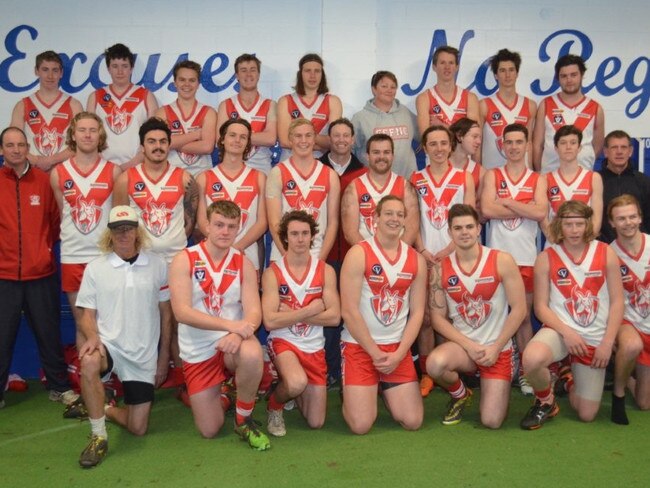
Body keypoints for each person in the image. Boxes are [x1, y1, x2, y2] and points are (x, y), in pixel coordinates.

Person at [169, 200, 270, 450]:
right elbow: (181, 312)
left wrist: (237, 334)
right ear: (207, 226)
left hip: (231, 343)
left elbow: (254, 311)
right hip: (198, 350)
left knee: (252, 352)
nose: (225, 232)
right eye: (219, 225)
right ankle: (224, 395)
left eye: (231, 226)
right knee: (209, 429)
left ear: (238, 229)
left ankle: (243, 419)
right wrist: (231, 325)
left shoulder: (243, 262)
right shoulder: (185, 259)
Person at [75, 205, 171, 468]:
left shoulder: (158, 265)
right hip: (110, 347)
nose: (123, 234)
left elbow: (166, 314)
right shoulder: (96, 267)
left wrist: (164, 358)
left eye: (128, 228)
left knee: (138, 428)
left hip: (143, 356)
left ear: (137, 231)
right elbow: (86, 313)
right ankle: (98, 436)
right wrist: (93, 337)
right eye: (117, 229)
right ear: (110, 233)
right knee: (89, 362)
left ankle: (102, 408)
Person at [520, 200, 624, 430]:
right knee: (532, 358)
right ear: (560, 226)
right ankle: (546, 400)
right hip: (560, 332)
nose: (574, 230)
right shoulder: (546, 257)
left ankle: (567, 381)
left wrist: (607, 343)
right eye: (569, 224)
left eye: (579, 224)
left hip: (595, 337)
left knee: (586, 414)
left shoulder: (605, 252)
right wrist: (567, 333)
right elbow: (541, 308)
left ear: (588, 224)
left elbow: (618, 302)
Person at [427, 204, 526, 427]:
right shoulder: (440, 269)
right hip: (465, 348)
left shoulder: (502, 260)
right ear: (449, 232)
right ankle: (460, 394)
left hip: (497, 349)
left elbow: (519, 309)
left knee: (491, 421)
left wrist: (497, 346)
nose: (464, 232)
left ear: (479, 228)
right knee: (435, 364)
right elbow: (437, 318)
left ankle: (496, 379)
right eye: (458, 228)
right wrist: (470, 346)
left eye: (469, 226)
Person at [0, 127, 77, 409]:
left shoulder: (44, 181)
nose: (16, 150)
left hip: (40, 274)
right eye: (10, 145)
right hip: (4, 275)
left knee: (49, 333)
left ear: (27, 147)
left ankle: (59, 387)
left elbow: (56, 222)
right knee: (1, 336)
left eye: (21, 144)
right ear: (2, 150)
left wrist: (41, 250)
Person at [340, 195, 426, 434]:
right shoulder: (359, 253)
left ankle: (384, 388)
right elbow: (348, 310)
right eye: (388, 213)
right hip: (360, 347)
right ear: (375, 218)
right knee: (361, 425)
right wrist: (374, 352)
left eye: (399, 214)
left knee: (413, 421)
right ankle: (350, 391)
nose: (394, 219)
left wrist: (399, 354)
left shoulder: (416, 259)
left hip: (396, 348)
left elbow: (418, 312)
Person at [481, 123, 548, 395]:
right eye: (509, 142)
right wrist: (524, 207)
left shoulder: (537, 179)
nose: (514, 147)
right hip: (498, 259)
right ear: (501, 145)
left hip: (527, 259)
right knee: (496, 315)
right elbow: (486, 208)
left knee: (521, 318)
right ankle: (498, 365)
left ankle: (525, 370)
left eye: (519, 142)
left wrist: (506, 202)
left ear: (527, 145)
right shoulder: (492, 175)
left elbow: (541, 212)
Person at [262, 210, 340, 436]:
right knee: (296, 382)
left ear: (312, 236)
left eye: (305, 233)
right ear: (285, 237)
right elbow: (269, 321)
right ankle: (274, 407)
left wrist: (291, 314)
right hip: (284, 342)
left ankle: (290, 393)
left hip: (314, 346)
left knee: (316, 422)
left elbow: (334, 317)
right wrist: (311, 309)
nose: (300, 239)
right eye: (294, 233)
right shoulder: (273, 272)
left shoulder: (324, 270)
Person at [410, 125, 475, 396]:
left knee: (450, 317)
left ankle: (450, 370)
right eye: (432, 144)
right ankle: (427, 372)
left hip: (455, 257)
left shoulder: (464, 178)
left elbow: (470, 218)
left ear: (451, 146)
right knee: (425, 318)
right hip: (424, 257)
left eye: (443, 143)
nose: (438, 149)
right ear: (424, 148)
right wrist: (423, 250)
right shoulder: (414, 179)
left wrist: (449, 250)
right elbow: (411, 220)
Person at [50, 112, 121, 337]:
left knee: (108, 320)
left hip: (104, 255)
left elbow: (118, 219)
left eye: (92, 130)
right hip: (73, 255)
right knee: (82, 321)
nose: (87, 135)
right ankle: (87, 373)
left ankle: (109, 370)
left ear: (100, 134)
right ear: (73, 134)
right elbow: (63, 215)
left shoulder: (114, 171)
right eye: (82, 130)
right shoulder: (58, 173)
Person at [113, 117, 198, 263]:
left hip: (176, 260)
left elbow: (190, 222)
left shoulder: (185, 179)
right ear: (142, 147)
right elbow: (120, 223)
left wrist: (170, 243)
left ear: (169, 145)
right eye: (151, 141)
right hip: (141, 260)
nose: (158, 146)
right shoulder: (125, 179)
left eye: (163, 141)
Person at [196, 118, 267, 273]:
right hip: (214, 256)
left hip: (248, 257)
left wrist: (236, 248)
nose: (237, 140)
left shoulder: (259, 177)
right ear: (222, 139)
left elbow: (262, 222)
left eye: (243, 137)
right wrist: (222, 247)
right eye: (232, 135)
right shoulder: (204, 178)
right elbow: (202, 221)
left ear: (248, 143)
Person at [266, 118, 340, 262]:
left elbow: (333, 223)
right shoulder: (277, 173)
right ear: (290, 140)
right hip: (282, 254)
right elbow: (274, 222)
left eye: (308, 135)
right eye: (298, 136)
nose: (303, 140)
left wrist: (321, 258)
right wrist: (287, 256)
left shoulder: (330, 174)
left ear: (314, 139)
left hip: (317, 254)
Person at [607, 195, 650, 425]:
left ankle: (624, 367)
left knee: (644, 403)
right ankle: (618, 394)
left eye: (632, 216)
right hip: (629, 324)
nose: (628, 222)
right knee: (632, 345)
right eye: (621, 218)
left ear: (640, 218)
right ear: (612, 223)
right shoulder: (607, 254)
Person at [87, 43, 158, 169]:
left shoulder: (146, 96)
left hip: (137, 166)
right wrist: (104, 164)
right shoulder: (95, 97)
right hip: (102, 166)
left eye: (124, 66)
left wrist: (133, 163)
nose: (120, 71)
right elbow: (89, 135)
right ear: (108, 69)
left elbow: (153, 136)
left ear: (131, 68)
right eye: (115, 66)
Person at [341, 134, 419, 247]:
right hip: (365, 258)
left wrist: (394, 254)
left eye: (386, 152)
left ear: (393, 156)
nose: (381, 157)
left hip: (398, 257)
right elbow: (350, 233)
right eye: (376, 152)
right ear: (367, 156)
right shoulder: (354, 187)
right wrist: (372, 255)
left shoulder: (405, 186)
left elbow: (411, 230)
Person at [10, 50, 83, 171]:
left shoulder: (74, 105)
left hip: (65, 173)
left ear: (61, 73)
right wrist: (35, 160)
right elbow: (13, 142)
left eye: (55, 70)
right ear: (36, 71)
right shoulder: (23, 105)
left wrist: (50, 160)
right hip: (31, 171)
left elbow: (80, 143)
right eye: (45, 70)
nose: (50, 76)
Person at [533, 54, 604, 173]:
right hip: (550, 176)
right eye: (564, 76)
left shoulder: (595, 108)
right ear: (558, 78)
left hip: (583, 178)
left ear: (582, 75)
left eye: (573, 75)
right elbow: (537, 145)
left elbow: (597, 146)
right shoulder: (546, 105)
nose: (569, 80)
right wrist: (541, 173)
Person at [542, 125, 603, 245]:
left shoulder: (593, 178)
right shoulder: (545, 179)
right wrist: (556, 240)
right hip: (555, 245)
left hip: (585, 244)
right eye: (563, 143)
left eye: (573, 143)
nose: (568, 147)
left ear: (579, 147)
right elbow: (543, 219)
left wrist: (583, 242)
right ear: (556, 148)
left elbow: (596, 220)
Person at [216, 54, 277, 175]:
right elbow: (219, 139)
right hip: (231, 169)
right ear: (237, 76)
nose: (248, 74)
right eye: (243, 70)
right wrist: (258, 137)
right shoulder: (226, 105)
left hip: (262, 169)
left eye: (253, 70)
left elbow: (270, 138)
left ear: (258, 75)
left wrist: (234, 137)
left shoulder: (270, 104)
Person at [352, 70, 418, 178]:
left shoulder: (406, 113)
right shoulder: (360, 118)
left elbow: (425, 137)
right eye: (384, 86)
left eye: (393, 87)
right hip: (374, 184)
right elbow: (349, 150)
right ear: (374, 89)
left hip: (406, 182)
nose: (389, 90)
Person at [156, 60, 217, 178]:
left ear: (198, 83)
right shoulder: (162, 112)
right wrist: (196, 135)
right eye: (182, 80)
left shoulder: (209, 112)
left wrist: (171, 142)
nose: (187, 84)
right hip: (170, 176)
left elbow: (207, 147)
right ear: (175, 83)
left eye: (192, 80)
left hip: (202, 175)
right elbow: (159, 143)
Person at [318, 117, 367, 264]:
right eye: (336, 135)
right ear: (329, 139)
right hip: (320, 253)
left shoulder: (364, 174)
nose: (341, 140)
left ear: (352, 140)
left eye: (346, 136)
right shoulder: (316, 170)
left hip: (354, 254)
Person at [479, 48, 537, 169]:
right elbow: (477, 144)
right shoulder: (484, 105)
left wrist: (531, 170)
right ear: (496, 75)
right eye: (502, 70)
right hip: (492, 174)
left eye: (511, 70)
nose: (507, 75)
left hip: (522, 176)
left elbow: (529, 143)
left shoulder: (530, 105)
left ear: (517, 73)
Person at [277, 53, 342, 160]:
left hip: (321, 161)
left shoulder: (332, 101)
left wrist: (301, 137)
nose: (312, 75)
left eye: (317, 71)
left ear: (322, 74)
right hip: (290, 161)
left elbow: (333, 141)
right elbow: (284, 141)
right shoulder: (285, 101)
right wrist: (319, 145)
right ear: (300, 74)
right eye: (308, 71)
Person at [598, 130, 650, 243]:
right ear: (605, 152)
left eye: (624, 147)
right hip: (605, 248)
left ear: (630, 151)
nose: (619, 152)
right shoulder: (595, 181)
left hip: (639, 248)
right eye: (614, 147)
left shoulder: (643, 181)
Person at [415, 46, 479, 134]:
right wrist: (459, 131)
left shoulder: (470, 98)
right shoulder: (424, 98)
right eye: (442, 63)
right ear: (434, 67)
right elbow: (426, 138)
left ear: (457, 67)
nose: (447, 67)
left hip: (462, 149)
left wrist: (442, 126)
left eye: (451, 63)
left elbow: (472, 135)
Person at [449, 117, 485, 202]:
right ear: (459, 136)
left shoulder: (481, 172)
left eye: (480, 137)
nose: (479, 141)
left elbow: (478, 207)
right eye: (474, 136)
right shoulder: (439, 166)